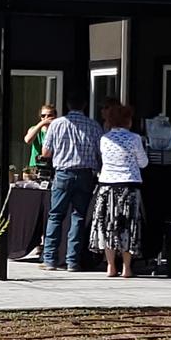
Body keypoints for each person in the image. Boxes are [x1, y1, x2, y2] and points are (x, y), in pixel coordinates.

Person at [40, 92, 103, 272]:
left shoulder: (57, 124)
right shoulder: (93, 125)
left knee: (56, 215)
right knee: (78, 216)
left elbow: (45, 153)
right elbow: (100, 152)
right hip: (85, 174)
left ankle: (50, 259)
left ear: (67, 106)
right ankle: (72, 261)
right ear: (84, 106)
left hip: (63, 173)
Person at [90, 104, 148, 278]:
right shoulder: (135, 138)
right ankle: (126, 268)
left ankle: (110, 266)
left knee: (108, 225)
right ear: (128, 120)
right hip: (129, 185)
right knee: (128, 227)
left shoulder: (104, 138)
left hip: (107, 185)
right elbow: (143, 162)